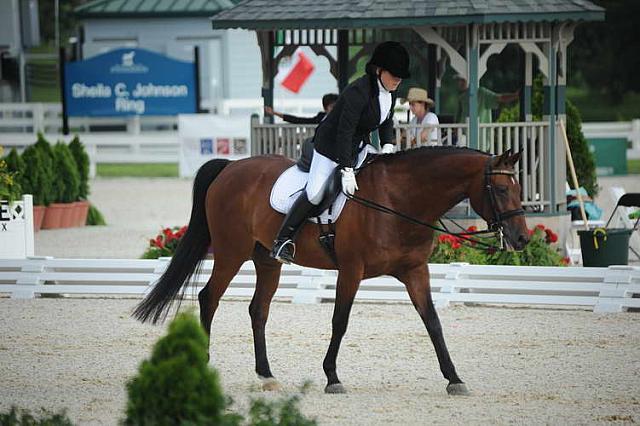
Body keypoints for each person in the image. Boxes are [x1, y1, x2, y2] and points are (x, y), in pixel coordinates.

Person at [270, 41, 410, 264]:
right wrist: (346, 169)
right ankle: (283, 240)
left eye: (400, 77)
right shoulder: (358, 92)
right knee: (316, 193)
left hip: (358, 147)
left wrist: (388, 145)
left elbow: (386, 120)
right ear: (379, 70)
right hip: (330, 148)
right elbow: (345, 132)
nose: (398, 80)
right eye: (394, 75)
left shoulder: (389, 91)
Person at [454, 74, 519, 124]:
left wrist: (515, 96)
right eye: (458, 80)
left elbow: (500, 98)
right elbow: (458, 118)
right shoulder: (461, 97)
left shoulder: (481, 93)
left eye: (462, 80)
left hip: (481, 136)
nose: (459, 83)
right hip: (463, 135)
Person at [264, 93, 339, 124]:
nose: (335, 109)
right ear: (325, 108)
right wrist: (275, 113)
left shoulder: (341, 118)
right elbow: (299, 120)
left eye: (337, 106)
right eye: (332, 106)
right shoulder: (320, 117)